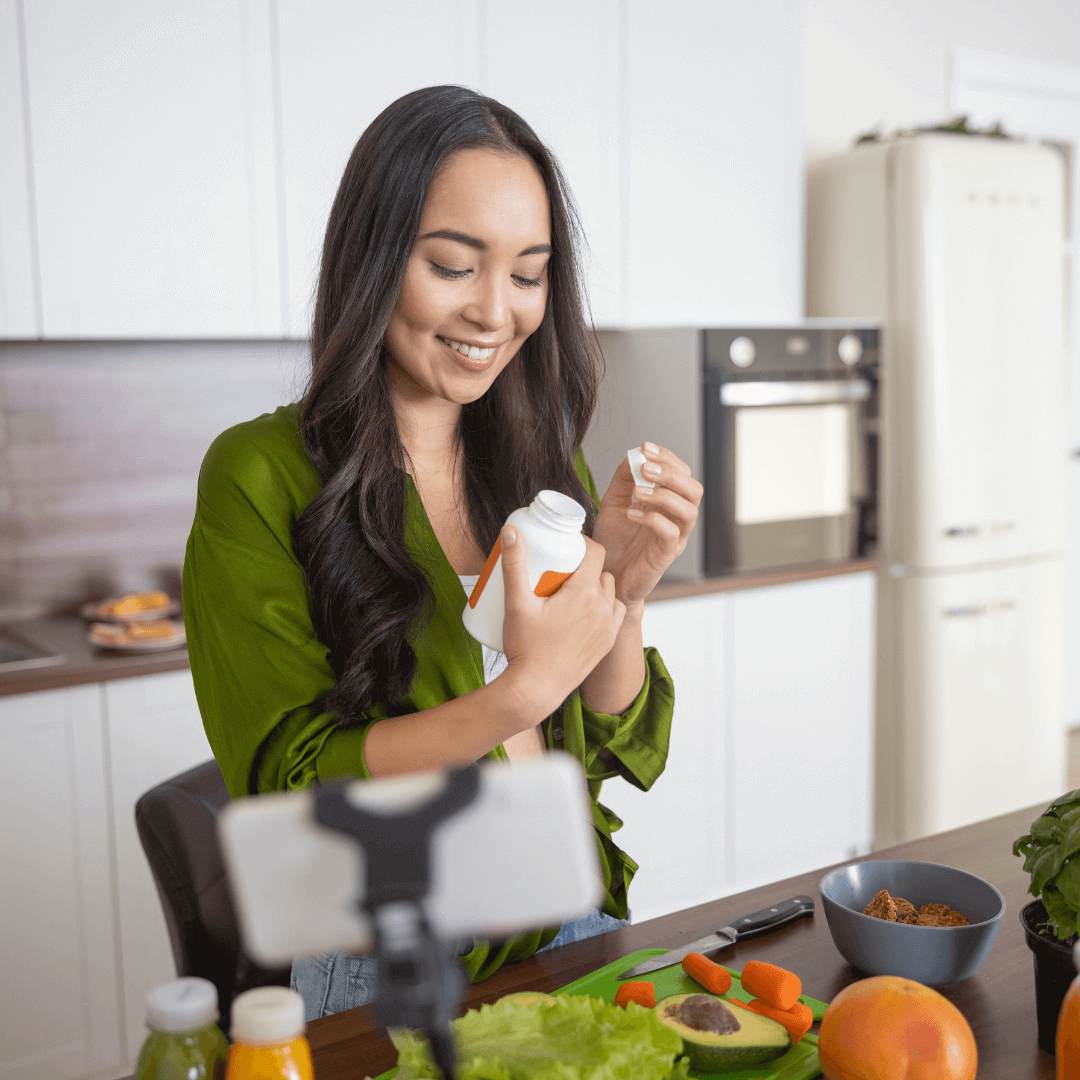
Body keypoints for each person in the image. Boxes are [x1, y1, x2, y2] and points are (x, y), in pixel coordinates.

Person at [183, 85, 702, 1020]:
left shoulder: (537, 456)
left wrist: (623, 589)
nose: (494, 312)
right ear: (376, 258)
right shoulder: (259, 474)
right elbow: (285, 782)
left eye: (529, 274)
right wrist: (519, 694)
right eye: (454, 265)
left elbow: (617, 738)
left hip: (570, 920)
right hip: (388, 961)